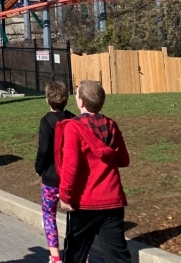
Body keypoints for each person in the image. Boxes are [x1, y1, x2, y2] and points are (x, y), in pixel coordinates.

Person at [56, 79, 131, 263]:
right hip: (112, 200)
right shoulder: (112, 125)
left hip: (84, 202)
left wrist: (65, 195)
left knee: (75, 254)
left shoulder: (73, 127)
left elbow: (70, 164)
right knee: (117, 255)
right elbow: (123, 160)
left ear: (80, 101)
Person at [34, 80, 75, 262]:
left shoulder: (46, 122)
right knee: (74, 218)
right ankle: (79, 253)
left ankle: (55, 256)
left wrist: (39, 167)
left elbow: (44, 149)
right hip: (70, 177)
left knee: (49, 215)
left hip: (51, 177)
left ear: (47, 100)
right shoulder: (73, 119)